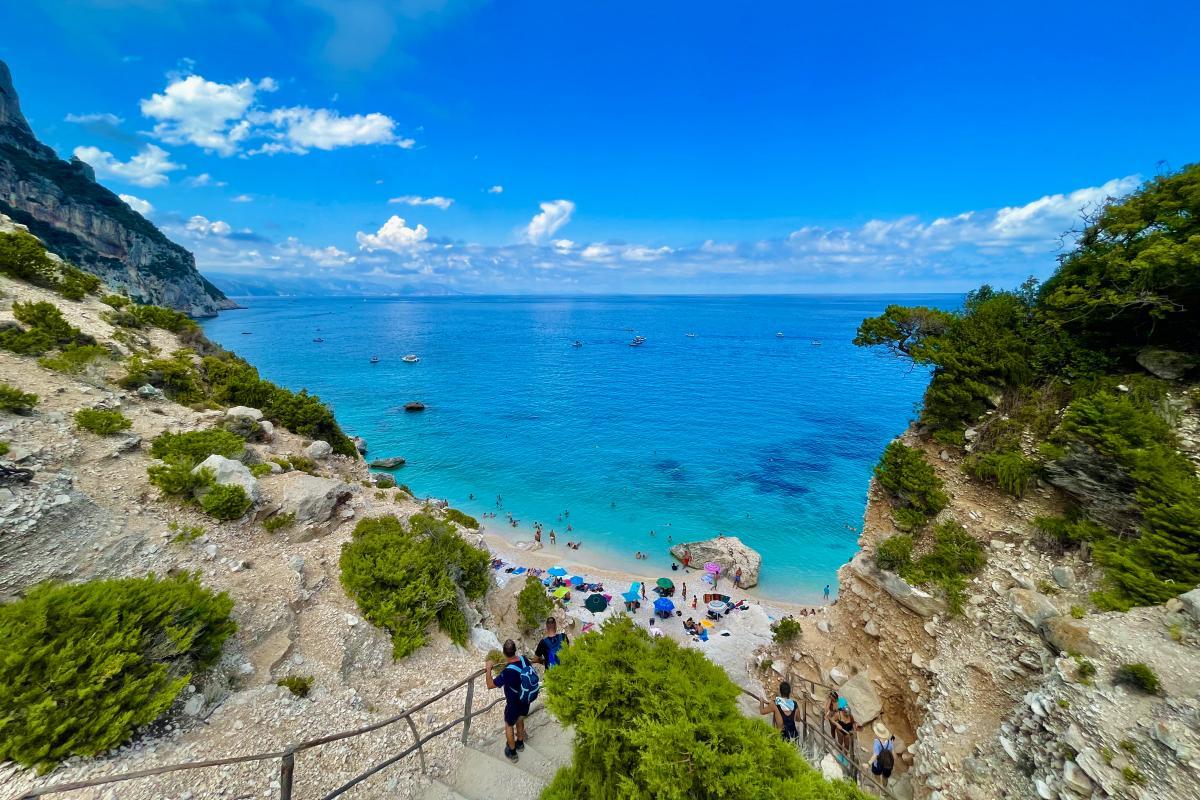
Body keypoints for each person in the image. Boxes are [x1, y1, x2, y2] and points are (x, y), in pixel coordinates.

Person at [485, 639, 539, 763]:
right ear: (515, 650)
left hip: (513, 703)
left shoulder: (507, 672)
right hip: (525, 699)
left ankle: (512, 752)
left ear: (504, 653)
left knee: (509, 725)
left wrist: (488, 669)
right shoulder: (524, 659)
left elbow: (490, 685)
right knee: (520, 719)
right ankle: (520, 743)